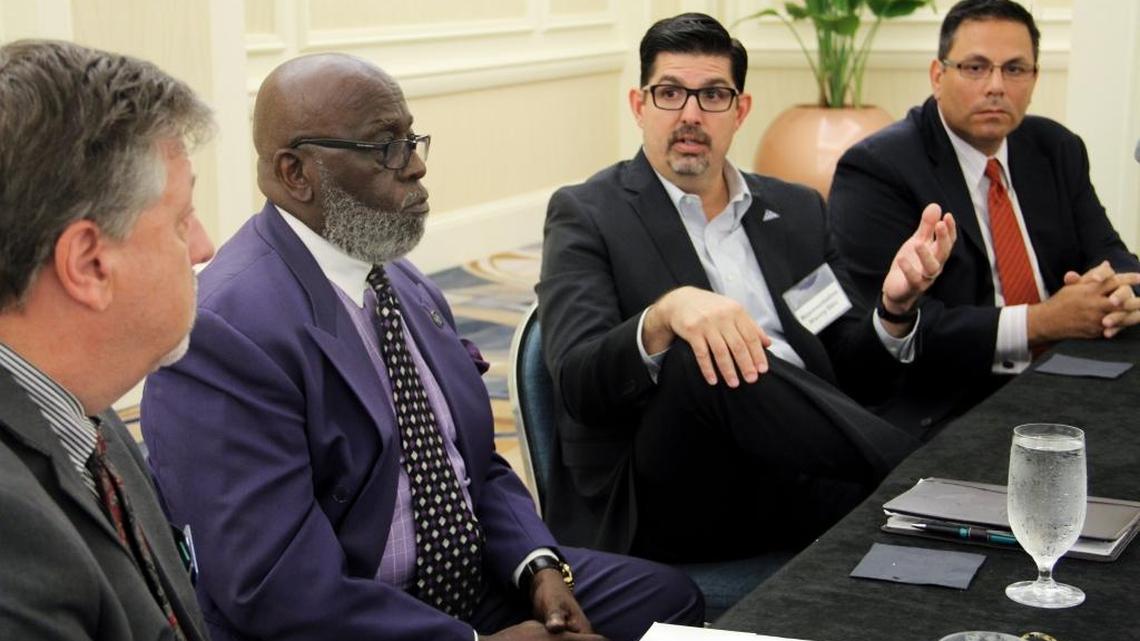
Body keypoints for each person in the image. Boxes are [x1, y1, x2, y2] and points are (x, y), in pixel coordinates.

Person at [139, 53, 703, 641]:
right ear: (296, 171)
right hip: (357, 617)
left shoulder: (402, 281)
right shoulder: (222, 333)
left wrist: (537, 566)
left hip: (471, 581)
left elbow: (474, 462)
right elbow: (275, 588)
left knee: (668, 603)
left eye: (412, 139)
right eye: (385, 147)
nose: (415, 168)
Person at [536, 13, 957, 563]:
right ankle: (930, 480)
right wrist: (665, 316)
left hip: (799, 473)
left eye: (713, 95)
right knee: (702, 352)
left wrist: (893, 311)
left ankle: (914, 494)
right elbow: (577, 381)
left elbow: (852, 370)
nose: (690, 114)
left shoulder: (796, 210)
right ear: (640, 107)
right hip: (673, 496)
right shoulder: (587, 214)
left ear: (741, 110)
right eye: (670, 93)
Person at [829, 0, 1140, 432]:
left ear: (1034, 79)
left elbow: (1109, 252)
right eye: (975, 68)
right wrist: (1042, 320)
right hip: (949, 400)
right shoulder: (878, 168)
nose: (996, 86)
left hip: (1067, 372)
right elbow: (897, 329)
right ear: (938, 76)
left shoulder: (1055, 148)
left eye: (1015, 69)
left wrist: (1120, 292)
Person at [0, 40, 215, 640]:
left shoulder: (86, 408)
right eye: (181, 219)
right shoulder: (11, 538)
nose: (203, 247)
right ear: (90, 263)